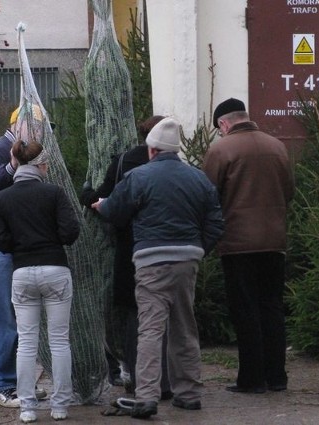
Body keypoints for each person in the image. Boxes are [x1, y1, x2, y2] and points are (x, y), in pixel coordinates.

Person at [91, 117, 224, 419]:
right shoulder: (198, 178)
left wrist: (102, 205)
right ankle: (188, 394)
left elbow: (115, 210)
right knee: (184, 327)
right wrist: (199, 249)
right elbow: (216, 223)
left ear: (151, 149)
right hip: (187, 259)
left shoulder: (139, 177)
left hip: (151, 260)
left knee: (150, 329)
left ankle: (147, 396)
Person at [202, 98, 295, 393]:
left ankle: (251, 379)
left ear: (223, 124)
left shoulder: (220, 150)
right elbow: (289, 191)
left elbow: (207, 196)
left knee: (246, 311)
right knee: (272, 308)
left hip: (238, 244)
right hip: (274, 242)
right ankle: (277, 377)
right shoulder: (277, 146)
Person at [80, 115, 173, 403]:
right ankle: (168, 381)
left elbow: (104, 200)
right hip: (173, 249)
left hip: (130, 248)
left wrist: (87, 195)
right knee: (171, 315)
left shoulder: (124, 162)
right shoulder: (179, 169)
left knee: (136, 316)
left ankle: (137, 376)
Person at [0, 140, 80, 423]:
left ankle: (27, 407)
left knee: (27, 343)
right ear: (40, 164)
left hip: (22, 272)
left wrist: (20, 244)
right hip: (55, 269)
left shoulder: (2, 198)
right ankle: (61, 405)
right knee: (59, 341)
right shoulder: (53, 193)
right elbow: (70, 232)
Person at [0, 106, 48, 408]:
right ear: (18, 126)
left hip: (19, 245)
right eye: (36, 128)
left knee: (24, 318)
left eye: (42, 129)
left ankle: (23, 383)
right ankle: (3, 385)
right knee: (3, 315)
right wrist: (13, 165)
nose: (41, 134)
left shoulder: (30, 153)